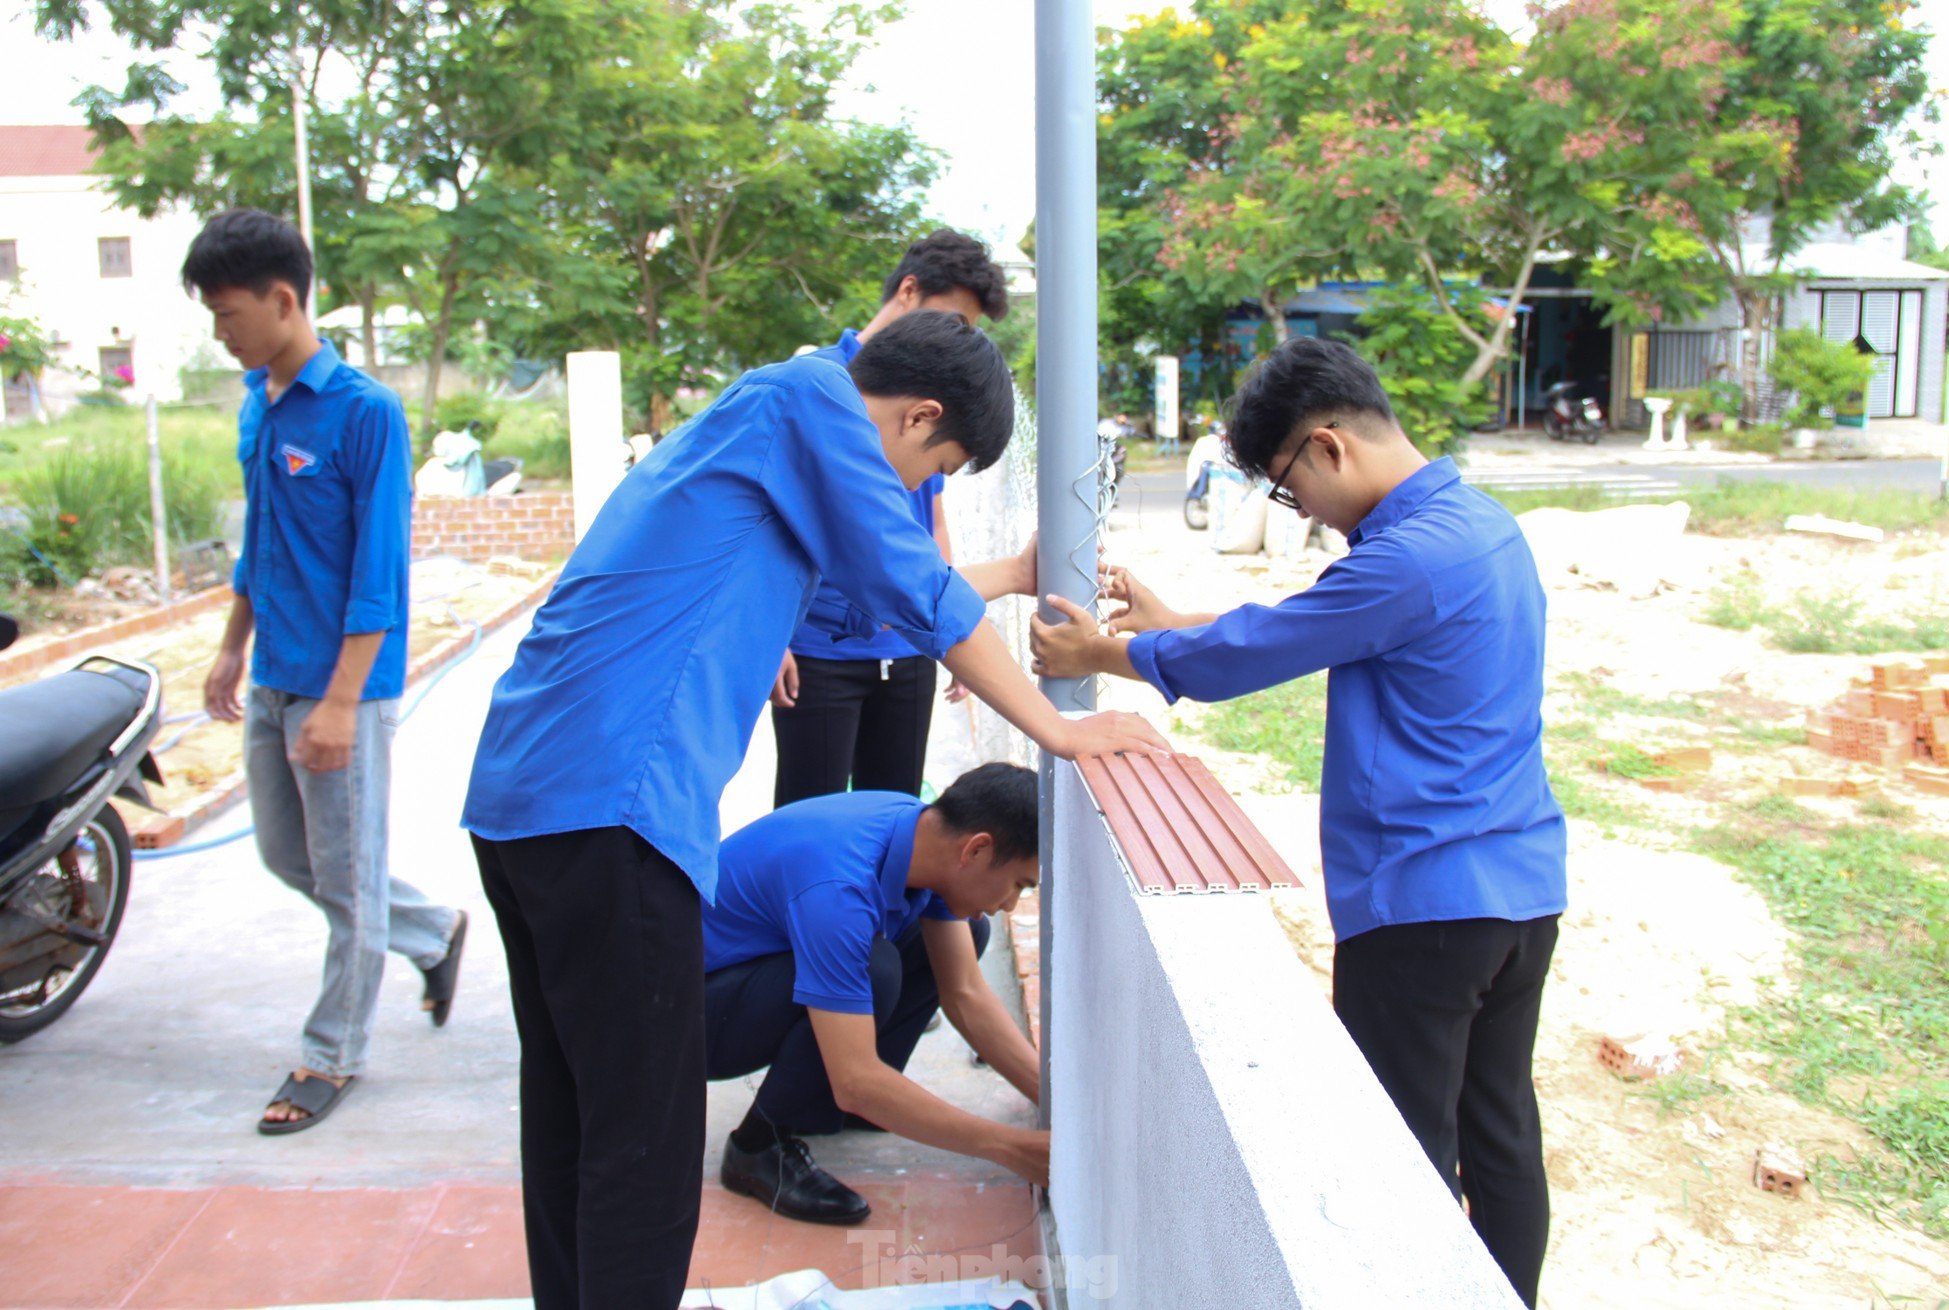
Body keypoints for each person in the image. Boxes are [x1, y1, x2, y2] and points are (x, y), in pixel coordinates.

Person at [463, 309, 1164, 1309]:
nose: (912, 494)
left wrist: (1016, 577)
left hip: (529, 795)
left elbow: (881, 596)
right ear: (917, 414)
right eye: (932, 470)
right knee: (646, 1146)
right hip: (613, 806)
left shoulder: (768, 433)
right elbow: (914, 585)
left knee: (576, 1109)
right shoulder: (810, 402)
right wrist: (1059, 733)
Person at [1029, 335, 1567, 1308]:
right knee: (1501, 1136)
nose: (1296, 510)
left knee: (1400, 1155)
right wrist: (1163, 625)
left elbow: (1268, 646)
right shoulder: (1477, 524)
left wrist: (1106, 653)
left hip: (1424, 907)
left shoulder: (1404, 559)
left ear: (1327, 447)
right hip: (1519, 896)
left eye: (1283, 487)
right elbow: (1312, 624)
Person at [186, 208, 467, 1136]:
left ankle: (330, 1055)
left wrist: (342, 703)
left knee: (346, 885)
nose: (220, 330)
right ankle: (430, 930)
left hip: (341, 686)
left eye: (228, 313)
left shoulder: (363, 411)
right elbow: (262, 539)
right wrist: (233, 643)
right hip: (273, 673)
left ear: (282, 298)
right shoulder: (258, 400)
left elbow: (378, 574)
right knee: (287, 856)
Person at [706, 762, 1044, 1225]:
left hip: (751, 974)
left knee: (968, 934)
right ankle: (758, 1148)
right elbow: (855, 1080)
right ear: (978, 849)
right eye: (1019, 885)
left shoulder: (928, 835)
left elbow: (964, 993)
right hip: (690, 1015)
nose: (1010, 904)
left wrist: (1053, 1101)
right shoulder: (840, 887)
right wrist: (1010, 1147)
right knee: (874, 968)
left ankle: (838, 1107)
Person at [769, 229, 1012, 808]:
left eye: (969, 333)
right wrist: (773, 634)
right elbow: (772, 522)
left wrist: (954, 628)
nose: (959, 341)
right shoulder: (819, 388)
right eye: (954, 320)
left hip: (904, 645)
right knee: (810, 814)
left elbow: (932, 521)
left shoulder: (934, 403)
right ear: (909, 290)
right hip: (819, 646)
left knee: (894, 814)